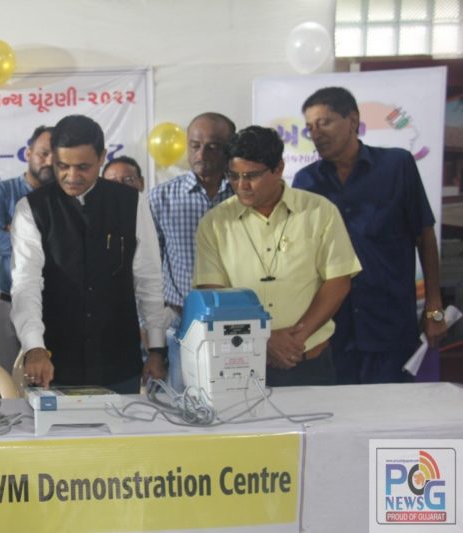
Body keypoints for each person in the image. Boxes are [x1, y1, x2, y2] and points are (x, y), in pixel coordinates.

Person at [293, 86, 446, 384]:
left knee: (393, 411)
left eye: (324, 122)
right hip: (332, 331)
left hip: (390, 325)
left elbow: (424, 236)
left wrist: (434, 307)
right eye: (310, 127)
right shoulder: (306, 182)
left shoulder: (397, 165)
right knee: (338, 411)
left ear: (352, 120)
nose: (316, 134)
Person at [11, 114, 168, 393]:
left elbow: (148, 278)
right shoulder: (32, 208)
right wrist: (34, 347)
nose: (72, 177)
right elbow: (26, 283)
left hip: (118, 361)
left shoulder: (131, 203)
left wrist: (156, 349)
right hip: (54, 363)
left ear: (102, 158)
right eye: (63, 166)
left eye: (83, 167)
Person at [194, 126, 361, 386]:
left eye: (252, 176)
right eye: (233, 176)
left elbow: (338, 281)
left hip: (308, 361)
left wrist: (296, 339)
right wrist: (263, 339)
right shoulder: (214, 224)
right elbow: (213, 294)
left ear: (279, 169)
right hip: (239, 364)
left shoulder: (320, 211)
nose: (241, 185)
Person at [148, 113, 236, 391]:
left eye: (213, 146)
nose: (201, 154)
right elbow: (148, 270)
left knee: (236, 402)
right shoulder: (162, 198)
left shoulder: (244, 195)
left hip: (237, 323)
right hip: (181, 322)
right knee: (182, 405)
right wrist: (153, 345)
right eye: (195, 145)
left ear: (229, 148)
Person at [0, 125, 54, 372]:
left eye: (55, 156)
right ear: (28, 153)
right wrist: (42, 241)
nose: (49, 161)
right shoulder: (2, 191)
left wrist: (15, 231)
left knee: (44, 379)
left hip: (48, 302)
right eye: (43, 153)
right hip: (3, 299)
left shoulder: (61, 198)